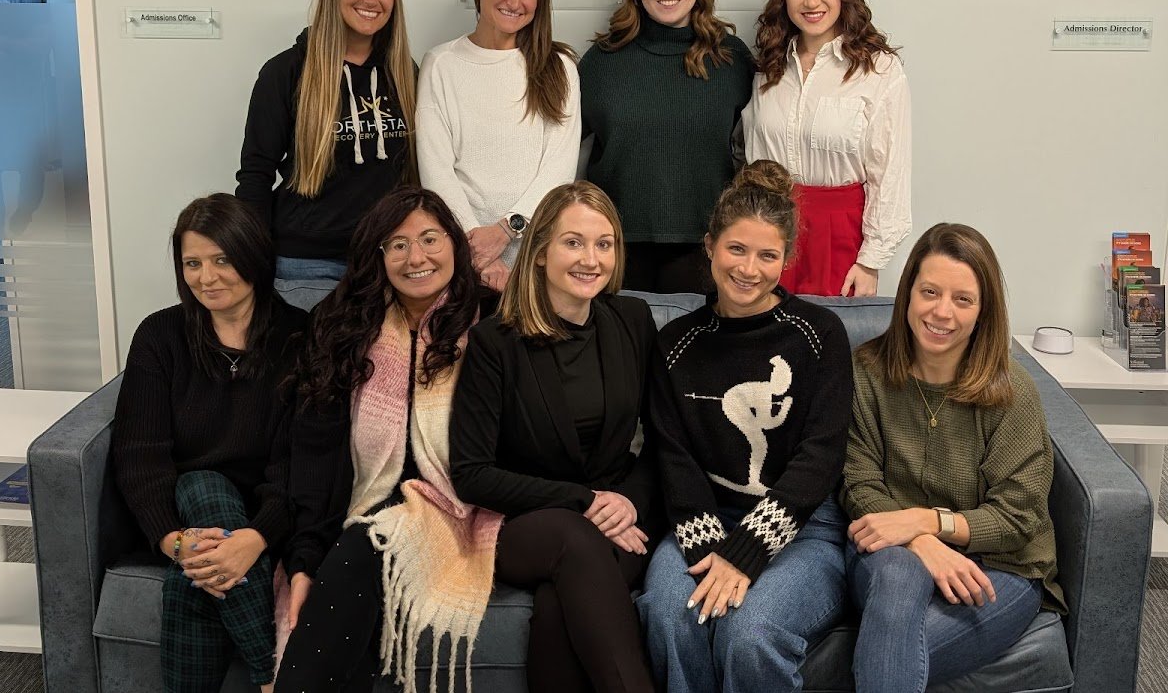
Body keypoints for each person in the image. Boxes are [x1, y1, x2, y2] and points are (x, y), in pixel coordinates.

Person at [638, 159, 854, 693]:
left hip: (803, 531)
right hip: (704, 519)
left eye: (767, 255)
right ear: (710, 246)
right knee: (671, 613)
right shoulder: (675, 344)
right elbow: (673, 457)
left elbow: (821, 457)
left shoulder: (820, 334)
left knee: (748, 632)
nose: (749, 269)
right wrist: (711, 549)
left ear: (787, 259)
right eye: (736, 249)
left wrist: (748, 552)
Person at [274, 187, 498, 693]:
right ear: (377, 255)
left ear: (454, 243)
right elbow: (313, 451)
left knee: (363, 551)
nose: (416, 257)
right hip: (362, 507)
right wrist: (304, 558)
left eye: (429, 239)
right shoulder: (342, 324)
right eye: (397, 244)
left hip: (459, 509)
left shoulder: (492, 320)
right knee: (353, 564)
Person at [450, 181, 662, 693]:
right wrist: (584, 501)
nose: (591, 259)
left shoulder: (632, 321)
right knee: (572, 538)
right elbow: (472, 474)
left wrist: (627, 503)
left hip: (619, 520)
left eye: (604, 244)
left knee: (556, 604)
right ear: (541, 251)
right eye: (574, 242)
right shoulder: (494, 342)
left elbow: (664, 442)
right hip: (526, 524)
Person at [842, 222, 1066, 691]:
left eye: (963, 299)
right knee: (897, 582)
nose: (942, 312)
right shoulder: (866, 372)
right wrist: (920, 542)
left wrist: (927, 522)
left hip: (1002, 566)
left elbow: (1018, 517)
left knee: (891, 654)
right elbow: (858, 483)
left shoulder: (1012, 393)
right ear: (908, 294)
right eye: (930, 292)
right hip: (892, 551)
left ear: (983, 311)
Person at [112, 193, 307, 693]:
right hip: (185, 514)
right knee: (202, 485)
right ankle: (273, 677)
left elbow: (302, 458)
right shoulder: (160, 335)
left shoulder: (301, 338)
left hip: (271, 515)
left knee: (191, 584)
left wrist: (255, 537)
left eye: (222, 260)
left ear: (253, 257)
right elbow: (139, 454)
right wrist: (174, 542)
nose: (206, 278)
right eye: (192, 263)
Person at [579, 0, 754, 294]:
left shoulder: (731, 58)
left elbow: (751, 151)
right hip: (613, 246)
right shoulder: (602, 61)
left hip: (707, 245)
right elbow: (567, 154)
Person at [236, 0, 417, 282]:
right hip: (306, 264)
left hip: (389, 260)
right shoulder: (286, 72)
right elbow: (255, 175)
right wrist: (252, 262)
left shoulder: (404, 73)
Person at [741, 0, 911, 297]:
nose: (811, 1)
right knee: (764, 329)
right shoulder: (767, 67)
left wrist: (870, 262)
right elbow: (752, 159)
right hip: (770, 230)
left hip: (841, 236)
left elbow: (890, 174)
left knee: (833, 331)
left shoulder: (879, 69)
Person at [417, 0, 580, 292]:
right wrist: (477, 251)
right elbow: (436, 169)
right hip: (463, 257)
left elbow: (559, 167)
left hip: (538, 257)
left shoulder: (559, 66)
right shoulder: (440, 63)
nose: (515, 1)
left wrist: (507, 230)